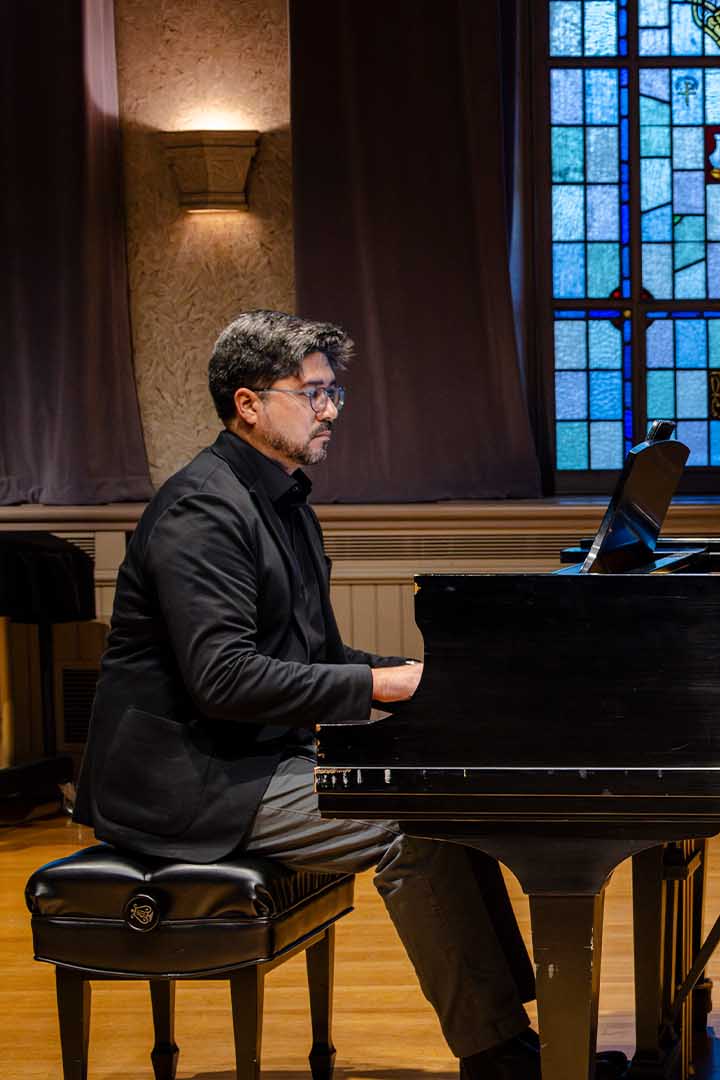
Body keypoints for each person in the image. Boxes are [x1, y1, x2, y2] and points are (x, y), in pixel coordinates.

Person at [74, 311, 551, 1079]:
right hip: (190, 783)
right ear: (249, 404)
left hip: (251, 759)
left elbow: (320, 657)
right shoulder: (203, 510)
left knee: (447, 793)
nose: (331, 410)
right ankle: (497, 1056)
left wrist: (434, 681)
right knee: (412, 821)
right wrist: (384, 684)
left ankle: (508, 1041)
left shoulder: (281, 499)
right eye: (314, 393)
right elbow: (224, 680)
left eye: (335, 393)